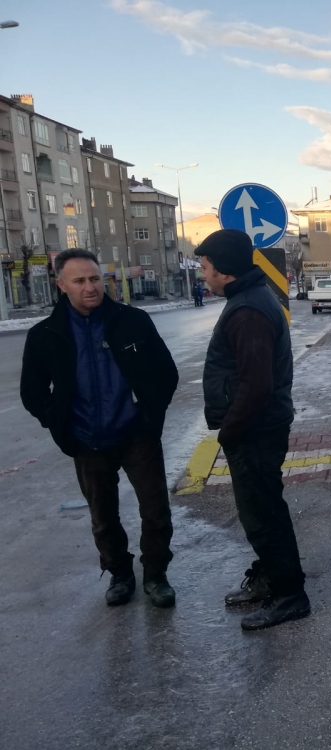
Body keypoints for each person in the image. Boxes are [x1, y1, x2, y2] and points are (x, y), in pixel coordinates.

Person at [20, 249, 179, 608]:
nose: (90, 287)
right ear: (61, 285)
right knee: (103, 517)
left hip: (135, 434)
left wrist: (149, 415)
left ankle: (156, 574)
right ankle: (120, 574)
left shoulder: (132, 321)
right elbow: (32, 392)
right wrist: (59, 422)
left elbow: (165, 373)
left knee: (155, 511)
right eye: (79, 281)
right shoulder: (46, 334)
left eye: (95, 278)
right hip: (86, 440)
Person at [195, 229, 310, 631]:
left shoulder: (247, 311)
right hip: (258, 427)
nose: (203, 274)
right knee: (260, 511)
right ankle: (270, 579)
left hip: (255, 431)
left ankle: (289, 596)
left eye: (205, 267)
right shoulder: (248, 300)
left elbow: (256, 384)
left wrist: (230, 431)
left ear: (223, 269)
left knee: (263, 515)